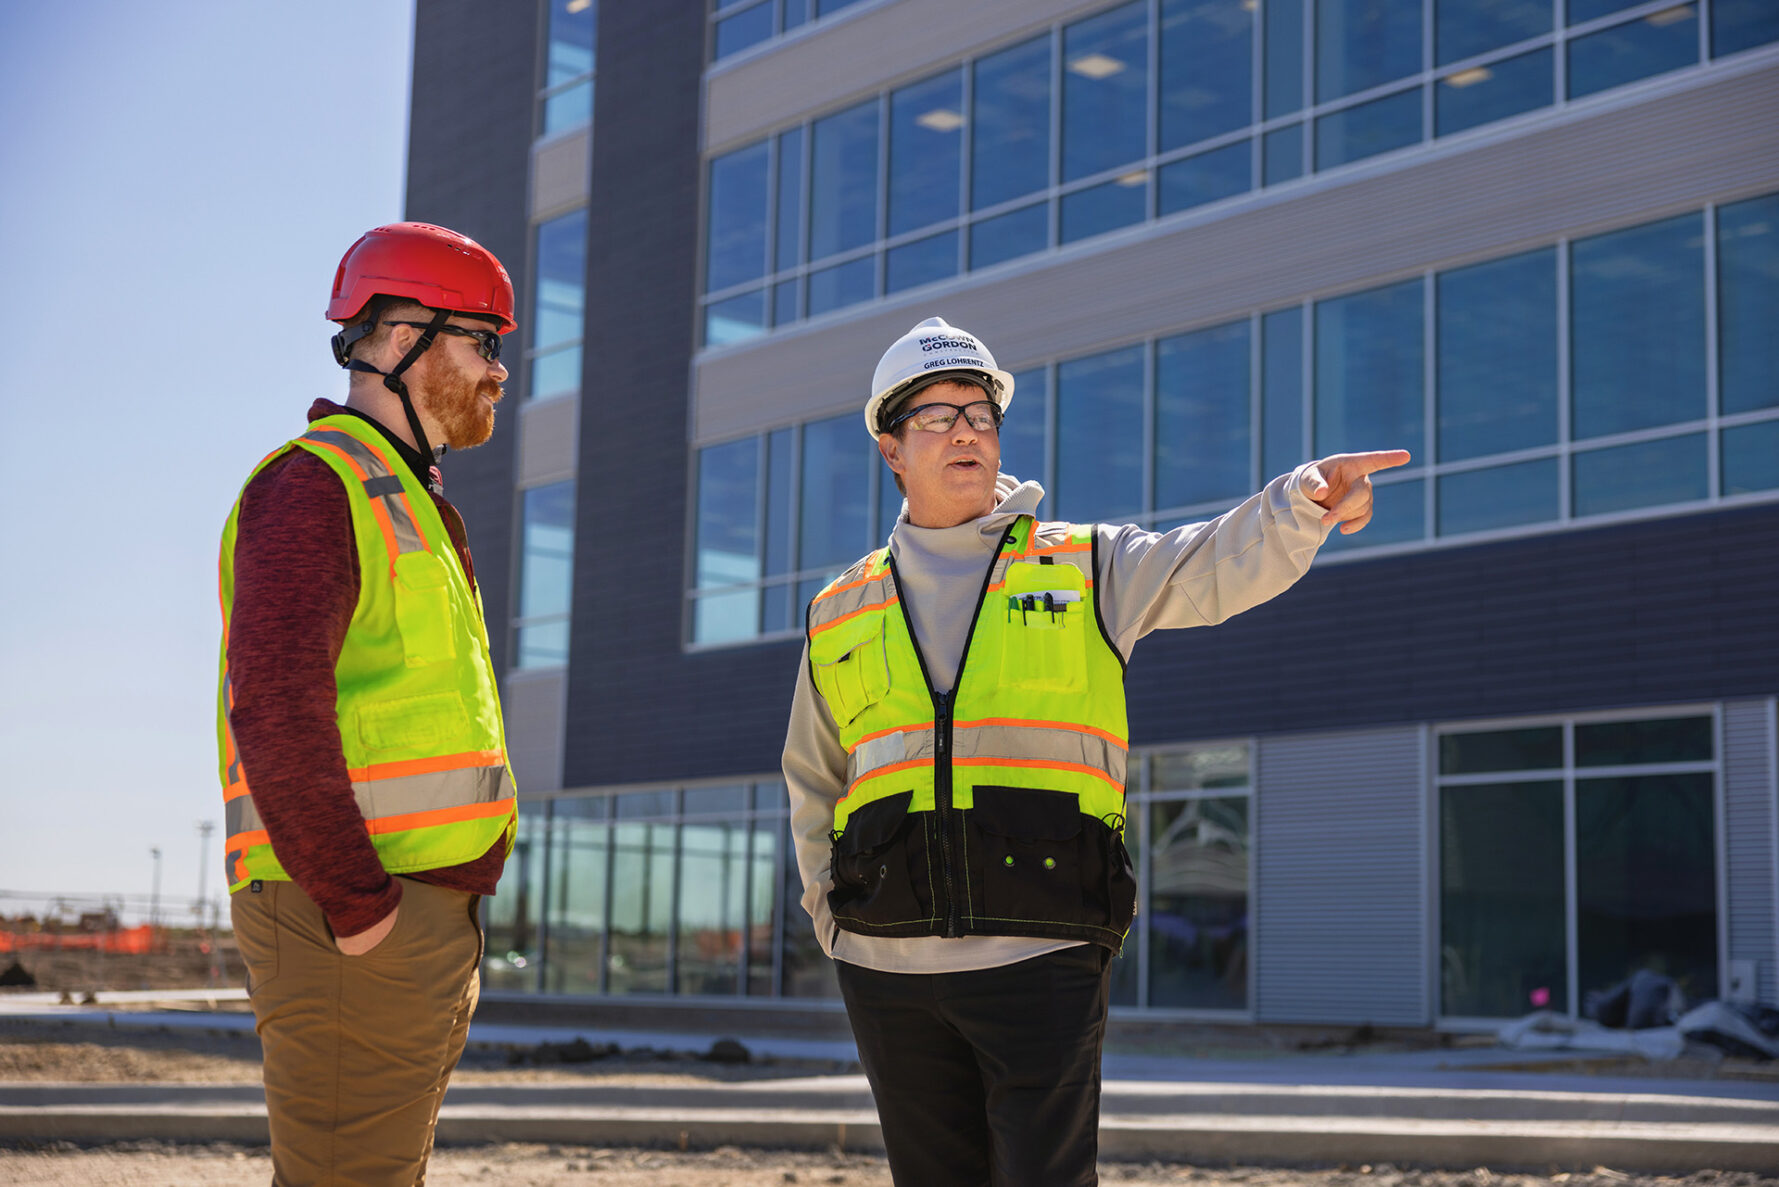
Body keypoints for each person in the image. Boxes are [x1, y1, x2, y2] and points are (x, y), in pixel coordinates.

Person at [782, 316, 1409, 1186]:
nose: (965, 430)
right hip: (885, 962)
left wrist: (1300, 498)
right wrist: (831, 917)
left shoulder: (1085, 566)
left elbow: (1211, 562)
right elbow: (813, 776)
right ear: (891, 447)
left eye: (979, 412)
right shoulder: (838, 606)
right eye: (936, 416)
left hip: (1039, 948)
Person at [216, 222, 521, 1186]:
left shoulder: (407, 499)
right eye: (482, 342)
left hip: (404, 919)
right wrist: (359, 907)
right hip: (348, 917)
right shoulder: (316, 488)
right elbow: (273, 703)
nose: (498, 371)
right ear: (401, 341)